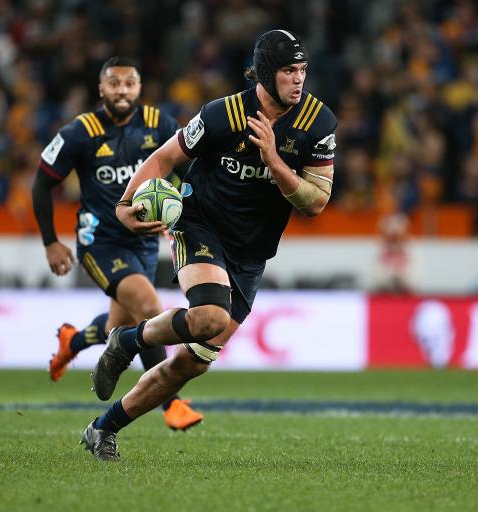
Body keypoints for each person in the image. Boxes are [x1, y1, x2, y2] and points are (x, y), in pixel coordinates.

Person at [80, 30, 337, 461]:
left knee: (191, 364)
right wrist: (125, 204)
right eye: (289, 71)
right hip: (200, 224)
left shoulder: (319, 122)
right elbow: (164, 158)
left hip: (251, 254)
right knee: (209, 316)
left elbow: (316, 202)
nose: (298, 80)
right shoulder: (223, 114)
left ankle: (104, 425)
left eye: (302, 70)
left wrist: (274, 161)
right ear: (266, 73)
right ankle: (129, 341)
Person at [31, 56, 203, 431]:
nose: (122, 90)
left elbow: (189, 172)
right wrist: (50, 242)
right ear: (101, 89)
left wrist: (182, 212)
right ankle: (171, 403)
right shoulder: (80, 132)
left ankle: (73, 341)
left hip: (143, 244)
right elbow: (42, 183)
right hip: (101, 243)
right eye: (114, 83)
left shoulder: (160, 125)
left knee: (117, 325)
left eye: (129, 83)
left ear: (139, 88)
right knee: (149, 308)